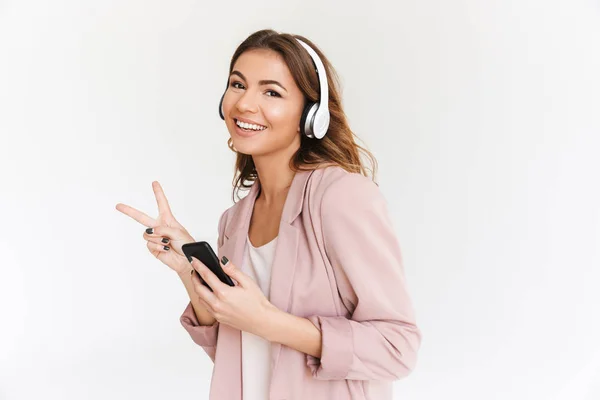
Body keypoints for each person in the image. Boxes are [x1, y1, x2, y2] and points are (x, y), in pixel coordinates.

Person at [116, 29, 422, 400]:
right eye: (237, 84)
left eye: (271, 92)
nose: (245, 104)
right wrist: (188, 268)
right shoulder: (235, 220)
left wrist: (268, 322)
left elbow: (398, 347)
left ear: (311, 116)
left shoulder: (341, 197)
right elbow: (235, 351)